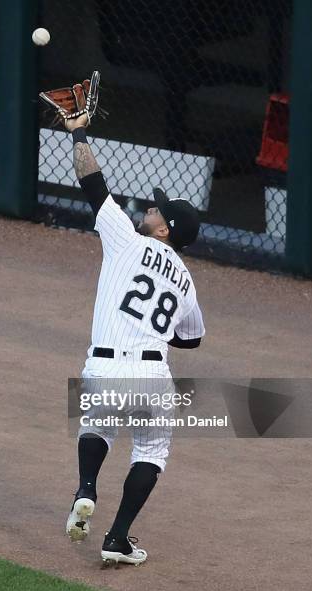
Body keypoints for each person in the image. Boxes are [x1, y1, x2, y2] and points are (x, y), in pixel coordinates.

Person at [64, 114, 205, 566]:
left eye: (158, 210)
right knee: (150, 450)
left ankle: (86, 488)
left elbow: (91, 179)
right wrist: (155, 332)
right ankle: (117, 538)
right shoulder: (186, 280)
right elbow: (192, 338)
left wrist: (79, 132)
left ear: (164, 231)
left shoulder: (124, 238)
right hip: (151, 374)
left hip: (103, 367)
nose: (150, 208)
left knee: (96, 426)